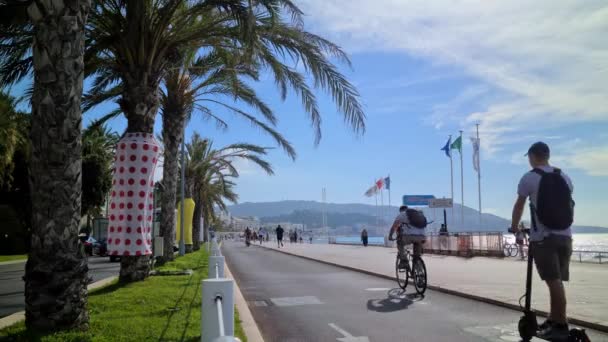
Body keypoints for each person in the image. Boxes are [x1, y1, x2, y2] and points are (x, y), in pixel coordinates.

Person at [511, 141, 573, 341]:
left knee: (552, 281)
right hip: (565, 235)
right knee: (557, 281)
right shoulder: (564, 176)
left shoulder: (529, 178)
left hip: (544, 238)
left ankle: (561, 324)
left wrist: (514, 227)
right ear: (547, 155)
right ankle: (553, 319)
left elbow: (519, 206)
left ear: (532, 156)